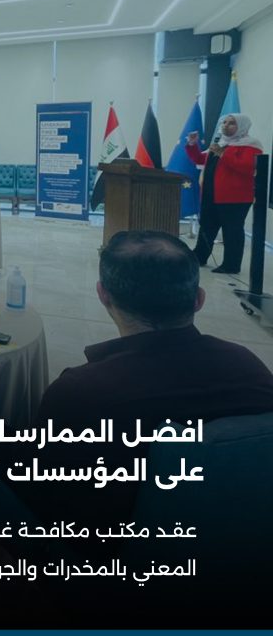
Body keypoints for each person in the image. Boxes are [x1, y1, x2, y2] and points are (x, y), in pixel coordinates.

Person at [24, 230, 273, 522]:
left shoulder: (79, 395)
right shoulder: (251, 369)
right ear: (199, 299)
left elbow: (39, 494)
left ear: (103, 295)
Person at [186, 114, 263, 274]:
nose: (226, 125)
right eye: (224, 122)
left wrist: (223, 153)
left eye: (231, 123)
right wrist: (192, 144)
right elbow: (200, 159)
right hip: (211, 195)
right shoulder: (220, 143)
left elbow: (248, 167)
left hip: (234, 197)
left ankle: (231, 265)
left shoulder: (251, 145)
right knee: (207, 227)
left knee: (232, 230)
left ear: (242, 126)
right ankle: (199, 257)